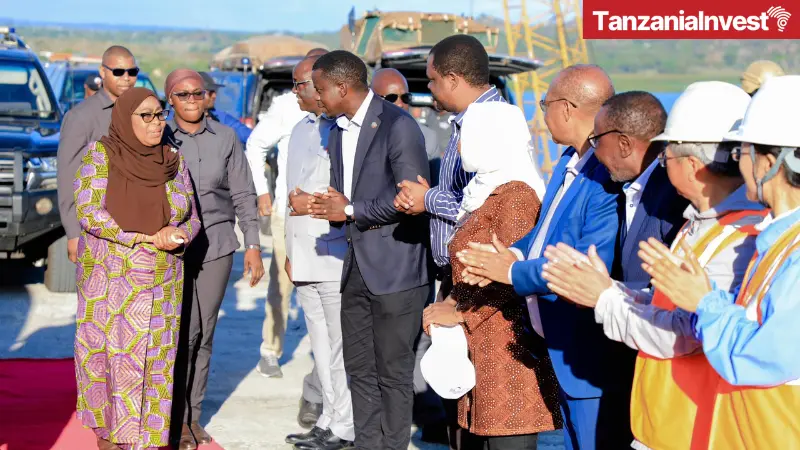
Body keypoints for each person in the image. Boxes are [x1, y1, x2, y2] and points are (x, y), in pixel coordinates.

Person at [540, 81, 766, 450]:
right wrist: (610, 289)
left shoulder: (739, 237)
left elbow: (684, 333)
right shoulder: (704, 225)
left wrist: (604, 299)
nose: (661, 166)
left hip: (698, 427)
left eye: (666, 156)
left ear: (693, 164)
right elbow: (667, 301)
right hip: (672, 421)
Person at [454, 65, 634, 450]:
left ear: (567, 108)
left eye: (544, 104)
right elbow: (546, 231)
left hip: (587, 353)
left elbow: (587, 262)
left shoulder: (604, 177)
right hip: (556, 343)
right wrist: (510, 253)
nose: (541, 115)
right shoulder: (571, 162)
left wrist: (513, 271)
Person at [641, 75, 800, 449]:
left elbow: (761, 357)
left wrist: (704, 302)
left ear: (770, 162)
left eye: (740, 151)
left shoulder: (791, 250)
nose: (734, 162)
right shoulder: (776, 241)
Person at [308, 50, 431, 450]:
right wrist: (323, 206)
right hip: (355, 267)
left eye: (321, 88)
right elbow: (346, 200)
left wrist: (346, 209)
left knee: (393, 374)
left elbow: (408, 199)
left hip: (397, 270)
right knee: (358, 368)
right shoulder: (337, 129)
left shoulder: (399, 126)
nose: (316, 96)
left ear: (343, 88)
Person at [392, 36, 510, 446]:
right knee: (460, 396)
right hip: (457, 274)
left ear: (455, 79)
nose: (430, 91)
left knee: (480, 394)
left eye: (433, 81)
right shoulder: (469, 121)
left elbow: (480, 204)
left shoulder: (491, 123)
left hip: (480, 276)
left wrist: (426, 198)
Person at [422, 101, 558, 450]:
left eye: (469, 138)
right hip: (479, 342)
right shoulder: (484, 190)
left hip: (508, 352)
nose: (462, 148)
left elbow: (510, 275)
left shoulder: (516, 196)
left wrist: (458, 311)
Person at [73, 87, 200, 450]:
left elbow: (191, 215)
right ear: (125, 119)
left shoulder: (173, 160)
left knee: (156, 362)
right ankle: (109, 437)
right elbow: (89, 211)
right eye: (146, 115)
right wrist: (143, 237)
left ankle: (148, 440)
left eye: (159, 115)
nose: (156, 122)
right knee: (112, 361)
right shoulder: (101, 156)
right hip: (111, 282)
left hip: (163, 282)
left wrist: (177, 234)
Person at [159, 69, 264, 450]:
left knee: (202, 334)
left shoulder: (226, 138)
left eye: (197, 94)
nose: (191, 100)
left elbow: (243, 194)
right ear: (170, 99)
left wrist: (252, 244)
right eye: (182, 94)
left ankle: (191, 418)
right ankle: (167, 416)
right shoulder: (159, 136)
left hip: (217, 246)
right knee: (179, 335)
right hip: (169, 249)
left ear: (207, 97)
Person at [278, 54, 355, 450]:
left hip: (334, 252)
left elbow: (348, 195)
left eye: (301, 83)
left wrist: (312, 204)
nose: (296, 91)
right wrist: (290, 250)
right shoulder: (300, 129)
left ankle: (344, 424)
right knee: (320, 344)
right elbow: (290, 195)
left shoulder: (344, 130)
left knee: (339, 344)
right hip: (304, 253)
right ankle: (329, 417)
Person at [369, 66, 447, 443]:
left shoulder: (428, 136)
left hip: (427, 247)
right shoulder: (363, 140)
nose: (402, 104)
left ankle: (429, 412)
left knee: (427, 333)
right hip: (383, 252)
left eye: (405, 97)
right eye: (391, 98)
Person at [589, 91, 690, 291]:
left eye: (597, 140)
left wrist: (604, 294)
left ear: (624, 144)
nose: (595, 152)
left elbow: (673, 290)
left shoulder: (674, 196)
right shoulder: (630, 186)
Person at [58, 45, 139, 264]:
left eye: (132, 72)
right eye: (119, 72)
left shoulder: (141, 111)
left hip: (138, 228)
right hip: (96, 229)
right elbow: (68, 177)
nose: (126, 78)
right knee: (101, 297)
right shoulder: (81, 117)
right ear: (102, 72)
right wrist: (73, 232)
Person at [198, 71, 253, 145]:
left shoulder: (219, 117)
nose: (214, 96)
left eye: (215, 92)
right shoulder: (179, 122)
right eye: (210, 93)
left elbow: (249, 136)